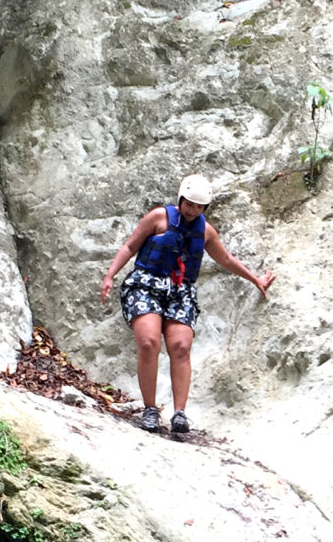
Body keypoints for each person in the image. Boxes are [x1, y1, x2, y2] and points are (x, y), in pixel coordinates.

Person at [100, 174, 274, 436]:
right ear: (181, 200)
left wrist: (255, 279)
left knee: (181, 347)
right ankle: (149, 410)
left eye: (199, 207)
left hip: (180, 291)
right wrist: (110, 274)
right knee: (149, 342)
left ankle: (179, 414)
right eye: (190, 204)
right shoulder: (158, 217)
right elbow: (130, 246)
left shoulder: (205, 231)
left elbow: (225, 259)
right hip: (146, 284)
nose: (193, 210)